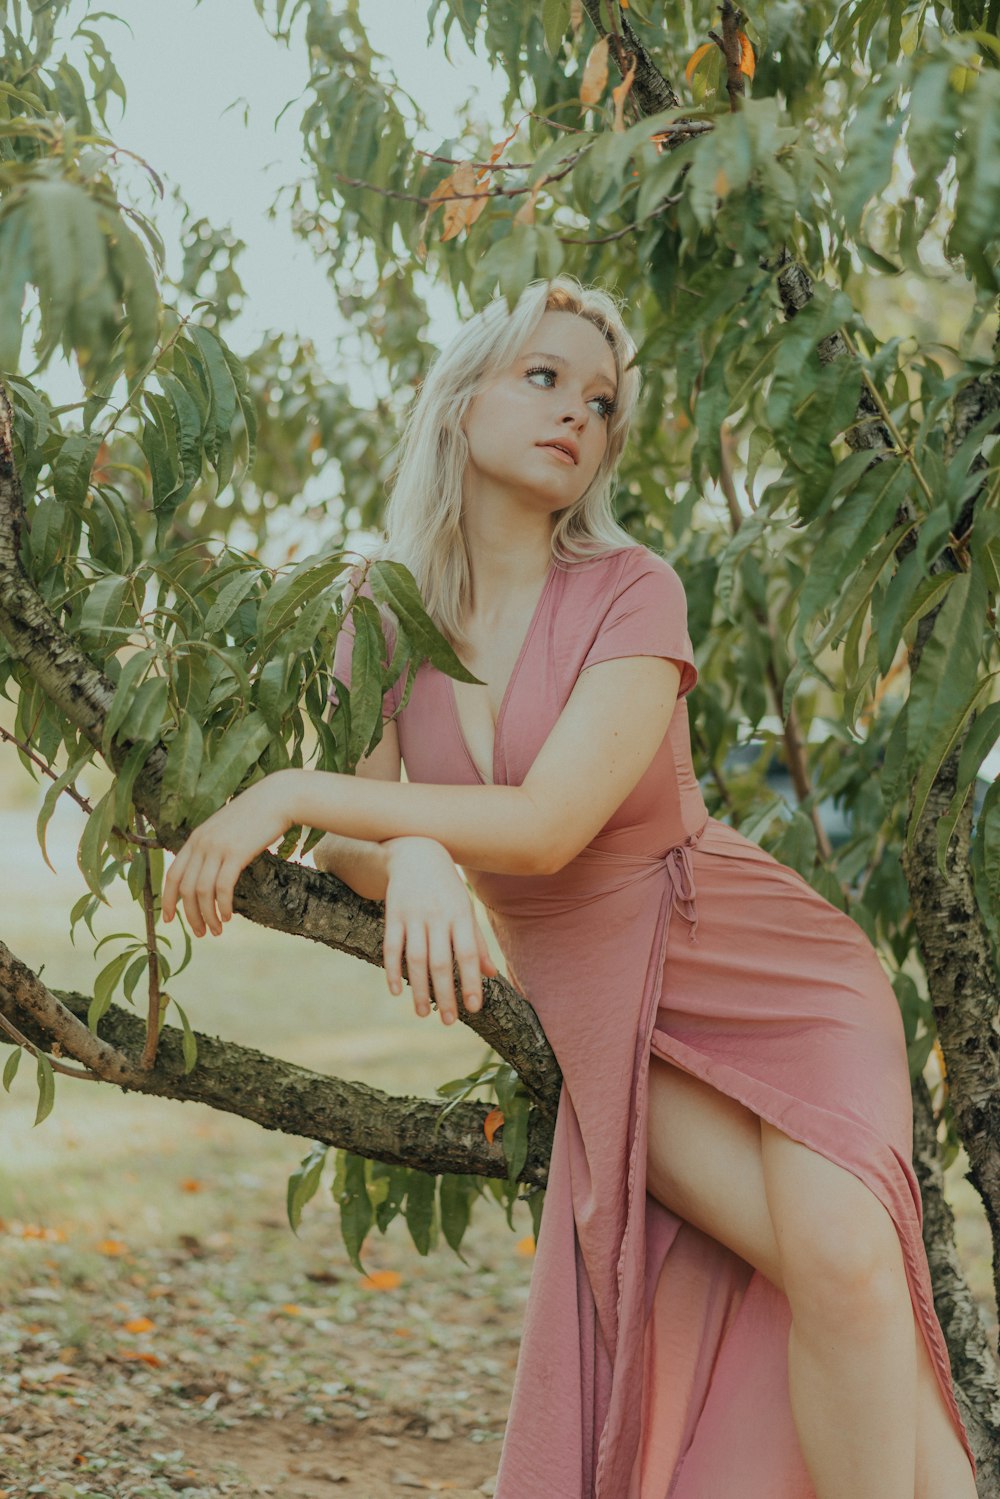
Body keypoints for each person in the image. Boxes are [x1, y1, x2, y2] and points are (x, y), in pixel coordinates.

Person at [162, 275, 978, 1498]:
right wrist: (424, 857)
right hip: (602, 1007)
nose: (574, 415)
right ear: (460, 399)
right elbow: (360, 843)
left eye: (598, 401)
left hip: (769, 969)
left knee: (847, 1257)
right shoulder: (376, 618)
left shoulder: (634, 586)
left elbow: (541, 829)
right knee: (836, 1270)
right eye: (541, 378)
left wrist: (288, 788)